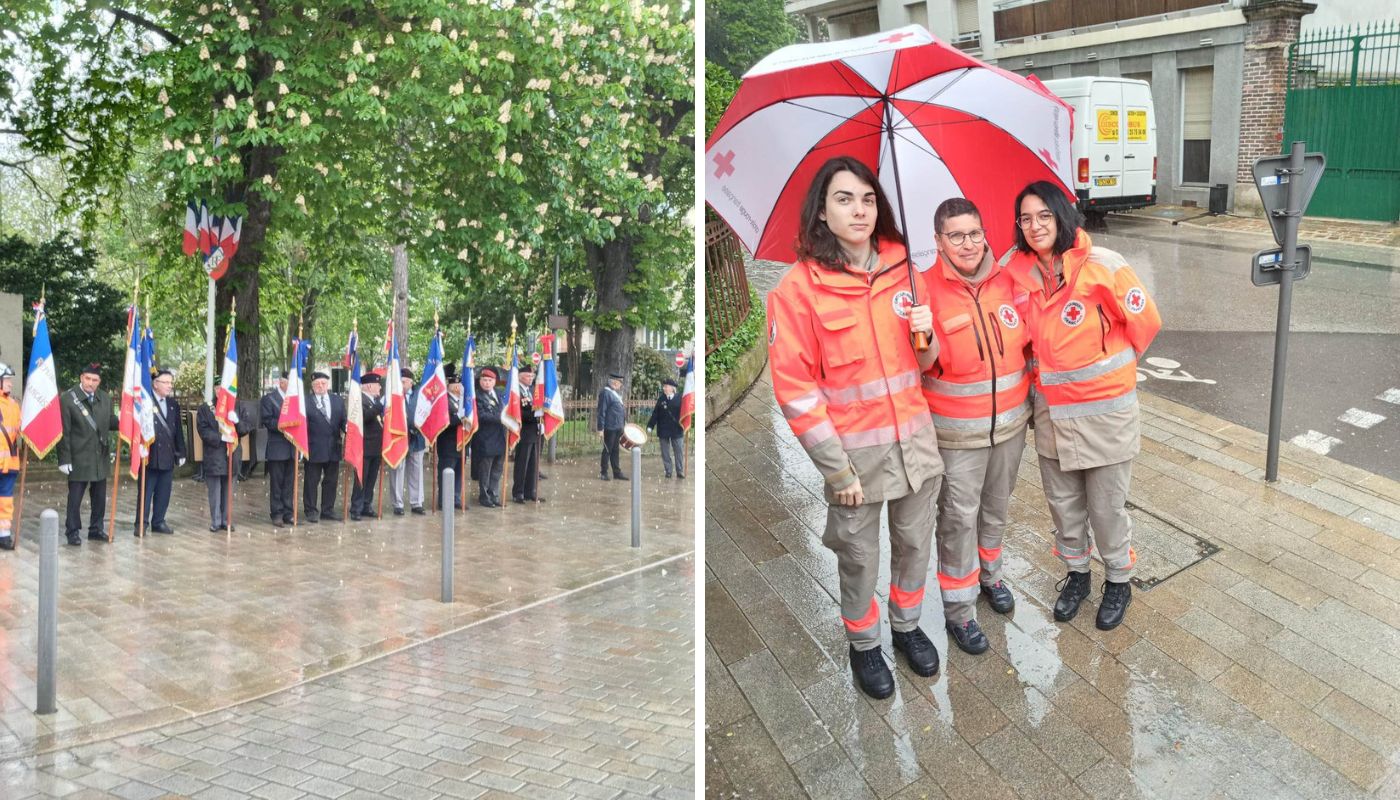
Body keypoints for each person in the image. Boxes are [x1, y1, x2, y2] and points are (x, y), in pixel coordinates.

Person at [767, 156, 943, 699]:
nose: (859, 210)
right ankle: (864, 644)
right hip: (853, 463)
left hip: (916, 446)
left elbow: (929, 365)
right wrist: (836, 471)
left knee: (915, 545)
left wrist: (927, 334)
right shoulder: (796, 292)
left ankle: (907, 627)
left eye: (868, 199)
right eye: (844, 199)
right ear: (821, 211)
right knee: (859, 557)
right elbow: (795, 393)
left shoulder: (906, 269)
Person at [1005, 180, 1161, 631]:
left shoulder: (1103, 267)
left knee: (1107, 508)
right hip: (1052, 418)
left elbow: (1145, 324)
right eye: (1026, 218)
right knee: (1064, 507)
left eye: (1044, 216)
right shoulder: (1018, 276)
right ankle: (1077, 576)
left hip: (1105, 417)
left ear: (1062, 216)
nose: (1035, 226)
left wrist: (1109, 373)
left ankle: (1118, 581)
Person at [919, 197, 1031, 655]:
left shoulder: (1009, 281)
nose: (968, 244)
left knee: (996, 507)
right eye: (956, 235)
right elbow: (920, 363)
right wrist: (920, 331)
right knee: (958, 520)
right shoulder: (922, 289)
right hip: (957, 436)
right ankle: (960, 612)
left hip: (1009, 428)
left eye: (975, 233)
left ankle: (992, 576)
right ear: (938, 241)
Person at [57, 363, 120, 546]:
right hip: (78, 456)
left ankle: (96, 529)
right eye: (87, 378)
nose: (91, 383)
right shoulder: (68, 399)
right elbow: (64, 431)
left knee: (99, 496)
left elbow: (110, 421)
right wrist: (64, 458)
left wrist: (125, 420)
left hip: (99, 455)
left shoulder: (104, 398)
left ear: (99, 382)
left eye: (95, 380)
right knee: (75, 497)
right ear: (81, 378)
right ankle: (72, 530)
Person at [137, 369, 186, 535]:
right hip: (149, 454)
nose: (169, 386)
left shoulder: (173, 404)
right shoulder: (145, 401)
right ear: (155, 384)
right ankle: (141, 523)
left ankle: (158, 521)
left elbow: (177, 430)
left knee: (164, 491)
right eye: (165, 382)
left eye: (171, 383)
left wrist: (181, 452)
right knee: (146, 491)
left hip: (167, 454)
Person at [303, 370, 347, 522]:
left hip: (333, 448)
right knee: (311, 482)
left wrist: (348, 429)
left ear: (327, 384)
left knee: (331, 481)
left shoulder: (337, 401)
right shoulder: (306, 401)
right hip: (313, 447)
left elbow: (343, 421)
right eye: (316, 384)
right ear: (312, 386)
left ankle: (328, 509)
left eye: (322, 383)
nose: (320, 386)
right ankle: (310, 510)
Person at [195, 389, 240, 531]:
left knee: (228, 490)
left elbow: (247, 426)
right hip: (214, 454)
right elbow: (203, 430)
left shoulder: (236, 406)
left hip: (232, 454)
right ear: (215, 389)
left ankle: (227, 520)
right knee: (215, 490)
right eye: (220, 387)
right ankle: (216, 521)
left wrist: (237, 424)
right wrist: (220, 437)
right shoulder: (206, 408)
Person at [390, 368, 426, 515]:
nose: (402, 384)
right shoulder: (394, 395)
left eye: (404, 382)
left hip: (417, 438)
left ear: (411, 382)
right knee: (398, 470)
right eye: (400, 381)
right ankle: (397, 503)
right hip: (398, 439)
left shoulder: (421, 394)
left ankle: (416, 502)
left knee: (416, 471)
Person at [261, 374, 296, 526]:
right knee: (277, 483)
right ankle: (277, 513)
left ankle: (288, 512)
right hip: (277, 447)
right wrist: (284, 425)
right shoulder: (269, 399)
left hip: (292, 447)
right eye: (289, 382)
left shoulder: (295, 400)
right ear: (282, 383)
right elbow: (267, 420)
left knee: (289, 484)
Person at [351, 372, 384, 521]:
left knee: (371, 479)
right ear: (370, 386)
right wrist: (378, 407)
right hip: (364, 447)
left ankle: (366, 505)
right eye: (378, 385)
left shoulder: (376, 402)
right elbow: (363, 417)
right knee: (361, 480)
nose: (380, 387)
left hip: (376, 447)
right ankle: (356, 508)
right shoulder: (359, 400)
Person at [471, 367, 506, 507]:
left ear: (494, 382)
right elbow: (481, 415)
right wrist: (501, 418)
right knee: (485, 470)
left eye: (489, 380)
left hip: (499, 437)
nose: (486, 383)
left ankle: (494, 494)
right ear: (480, 381)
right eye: (484, 380)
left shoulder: (499, 393)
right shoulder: (477, 396)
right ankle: (484, 496)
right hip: (485, 438)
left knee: (497, 469)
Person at [511, 365, 544, 503]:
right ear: (520, 376)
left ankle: (530, 491)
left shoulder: (532, 390)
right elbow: (517, 413)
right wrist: (535, 415)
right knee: (522, 464)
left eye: (532, 377)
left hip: (535, 432)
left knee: (533, 465)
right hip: (524, 432)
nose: (530, 379)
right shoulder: (516, 391)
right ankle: (518, 492)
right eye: (527, 376)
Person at [435, 365, 464, 510]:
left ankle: (456, 498)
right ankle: (444, 500)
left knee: (458, 473)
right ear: (449, 385)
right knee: (446, 472)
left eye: (459, 384)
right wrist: (459, 418)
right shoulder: (444, 401)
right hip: (447, 444)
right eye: (455, 384)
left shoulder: (462, 401)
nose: (458, 386)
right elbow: (444, 422)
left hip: (461, 443)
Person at [647, 378, 685, 479]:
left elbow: (685, 413)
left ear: (672, 388)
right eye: (664, 386)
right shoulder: (661, 399)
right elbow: (655, 414)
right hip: (663, 429)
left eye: (666, 386)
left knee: (678, 451)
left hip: (677, 429)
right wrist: (650, 425)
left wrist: (686, 423)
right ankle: (668, 471)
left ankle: (680, 471)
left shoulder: (680, 398)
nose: (664, 388)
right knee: (665, 452)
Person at [0, 364, 20, 550]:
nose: (10, 384)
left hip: (10, 464)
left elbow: (19, 428)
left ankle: (4, 535)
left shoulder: (13, 405)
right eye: (7, 381)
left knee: (6, 500)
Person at [596, 372, 626, 480]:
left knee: (615, 450)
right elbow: (601, 412)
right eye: (619, 382)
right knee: (608, 450)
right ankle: (604, 472)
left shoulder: (614, 393)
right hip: (610, 427)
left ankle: (616, 472)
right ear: (613, 382)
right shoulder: (605, 393)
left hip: (617, 427)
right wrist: (600, 428)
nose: (620, 385)